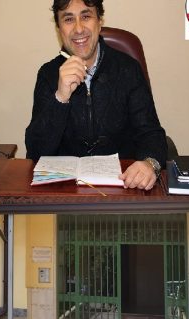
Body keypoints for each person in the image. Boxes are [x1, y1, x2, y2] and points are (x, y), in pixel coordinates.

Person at [25, 0, 167, 190]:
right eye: (68, 19)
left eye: (86, 16)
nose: (78, 28)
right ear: (59, 29)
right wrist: (60, 97)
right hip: (66, 189)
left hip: (123, 185)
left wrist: (150, 164)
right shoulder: (48, 74)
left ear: (99, 22)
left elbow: (151, 133)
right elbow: (35, 151)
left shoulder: (128, 69)